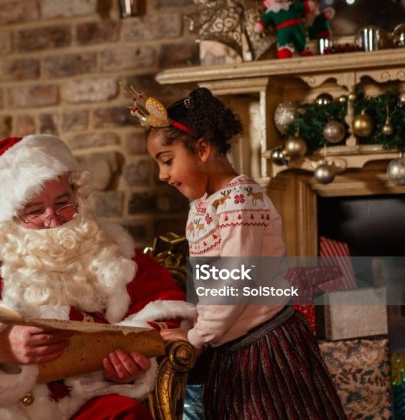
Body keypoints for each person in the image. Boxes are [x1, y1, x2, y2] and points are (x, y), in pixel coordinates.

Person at [0, 134, 195, 419]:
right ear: (6, 218)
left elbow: (165, 310)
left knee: (123, 414)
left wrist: (133, 363)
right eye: (34, 210)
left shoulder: (111, 251)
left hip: (78, 405)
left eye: (63, 203)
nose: (53, 219)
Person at [130, 87, 346, 419]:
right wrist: (198, 327)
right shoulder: (202, 204)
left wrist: (197, 336)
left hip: (267, 348)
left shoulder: (240, 199)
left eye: (167, 161)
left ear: (202, 149)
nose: (162, 175)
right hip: (232, 346)